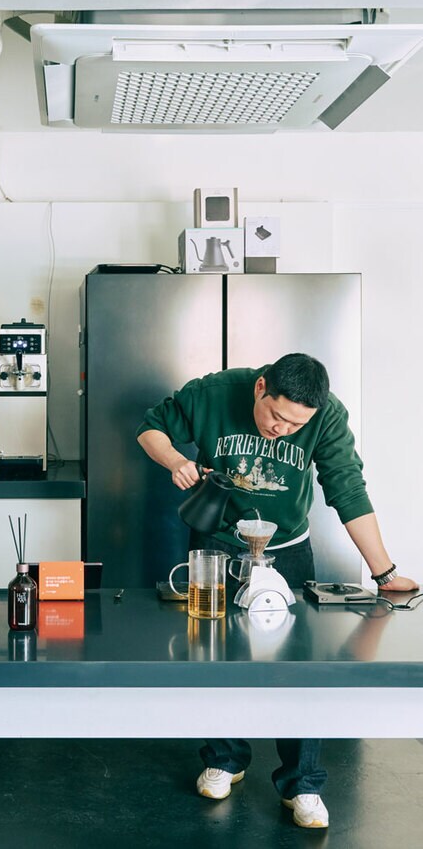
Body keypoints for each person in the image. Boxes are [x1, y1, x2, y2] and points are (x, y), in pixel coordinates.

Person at [136, 352, 418, 830]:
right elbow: (150, 426)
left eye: (295, 425)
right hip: (217, 543)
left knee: (300, 669)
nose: (283, 429)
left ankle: (303, 783)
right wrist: (177, 461)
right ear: (260, 387)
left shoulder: (326, 416)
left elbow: (347, 488)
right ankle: (226, 758)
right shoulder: (212, 394)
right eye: (277, 416)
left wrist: (384, 573)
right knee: (215, 656)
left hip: (287, 549)